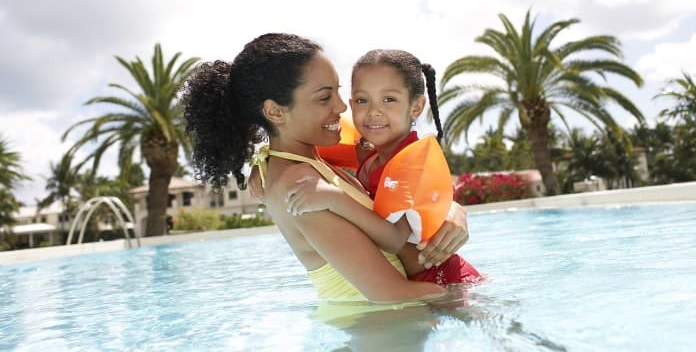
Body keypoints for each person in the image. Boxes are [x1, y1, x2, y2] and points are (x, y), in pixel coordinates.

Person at [181, 33, 446, 304]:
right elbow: (390, 295)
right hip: (387, 330)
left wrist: (452, 213)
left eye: (338, 92)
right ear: (275, 112)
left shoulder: (303, 161)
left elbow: (404, 177)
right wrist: (465, 294)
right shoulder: (301, 187)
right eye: (324, 98)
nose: (342, 107)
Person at [286, 49, 483, 285]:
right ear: (351, 104)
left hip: (445, 279)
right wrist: (264, 163)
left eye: (389, 99)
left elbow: (395, 239)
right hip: (422, 282)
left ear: (416, 107)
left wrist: (333, 199)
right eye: (362, 100)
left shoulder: (409, 164)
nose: (373, 112)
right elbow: (306, 148)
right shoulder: (372, 155)